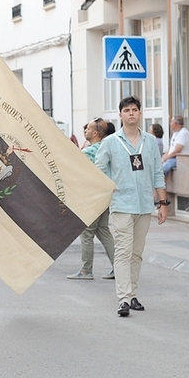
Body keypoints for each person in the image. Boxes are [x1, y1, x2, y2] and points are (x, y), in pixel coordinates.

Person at [95, 96, 168, 318]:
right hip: (121, 205)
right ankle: (123, 299)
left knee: (136, 253)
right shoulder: (111, 142)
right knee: (123, 252)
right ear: (120, 115)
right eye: (126, 110)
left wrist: (162, 203)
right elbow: (98, 169)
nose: (131, 113)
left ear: (140, 113)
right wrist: (109, 185)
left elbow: (157, 172)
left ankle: (132, 294)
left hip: (144, 205)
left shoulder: (150, 141)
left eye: (134, 109)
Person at [68, 118, 116, 281]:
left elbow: (75, 167)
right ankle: (119, 267)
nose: (85, 131)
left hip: (93, 197)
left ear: (95, 133)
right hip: (106, 195)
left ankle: (85, 270)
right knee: (103, 231)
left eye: (87, 128)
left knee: (86, 232)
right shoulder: (106, 147)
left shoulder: (89, 152)